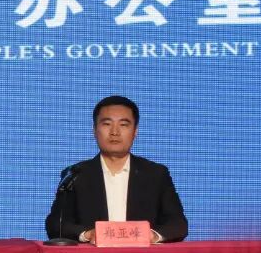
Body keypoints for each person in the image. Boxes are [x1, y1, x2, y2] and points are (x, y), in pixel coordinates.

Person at [45, 95, 187, 243]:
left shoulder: (156, 174)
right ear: (94, 130)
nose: (115, 132)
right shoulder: (76, 174)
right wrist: (87, 234)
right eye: (107, 124)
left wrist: (152, 235)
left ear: (135, 131)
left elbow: (178, 224)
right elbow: (56, 225)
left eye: (123, 125)